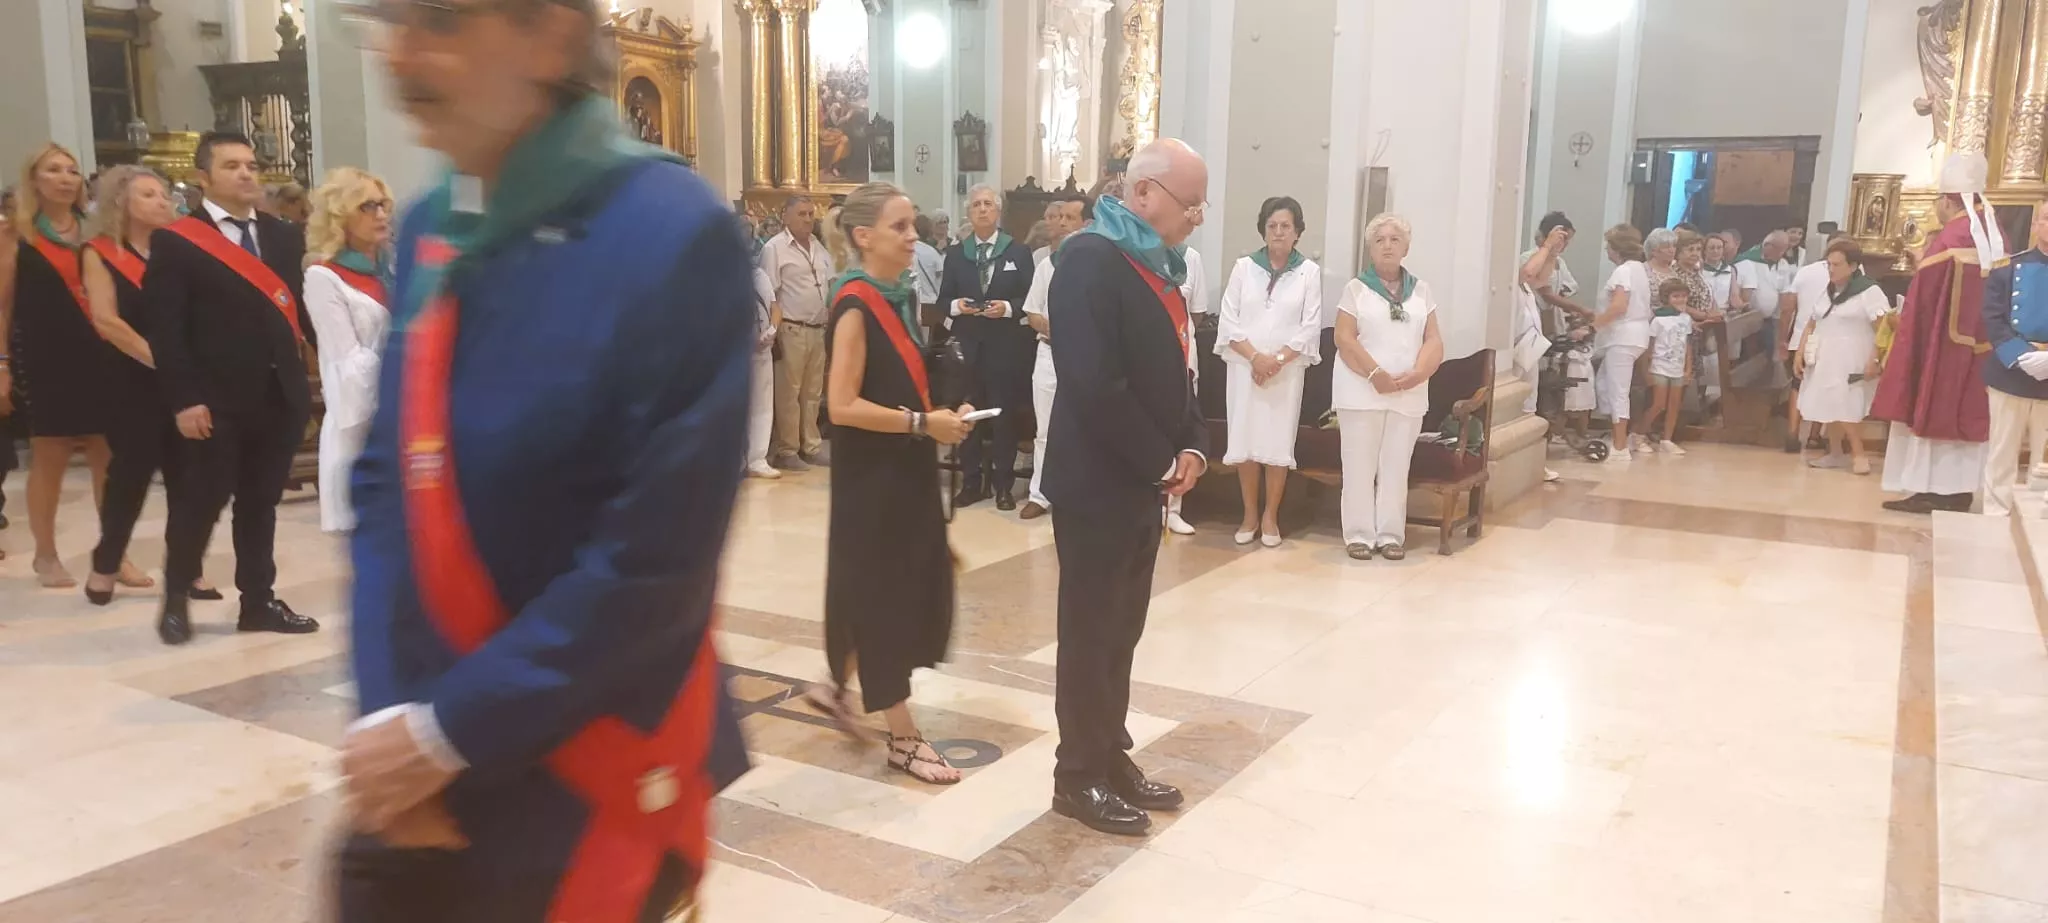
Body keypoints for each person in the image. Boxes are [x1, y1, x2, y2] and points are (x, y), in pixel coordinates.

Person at [334, 0, 751, 918]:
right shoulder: (432, 224)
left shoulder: (671, 233)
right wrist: (388, 717)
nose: (401, 54)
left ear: (550, 33)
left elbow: (655, 566)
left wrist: (446, 731)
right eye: (390, 19)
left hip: (577, 776)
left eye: (439, 18)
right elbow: (383, 482)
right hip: (414, 771)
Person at [1043, 137, 1210, 836]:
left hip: (1140, 479)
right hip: (1096, 482)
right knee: (1090, 632)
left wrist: (1193, 443)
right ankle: (1076, 776)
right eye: (1189, 203)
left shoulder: (1156, 265)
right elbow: (1093, 383)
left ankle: (1111, 756)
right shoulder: (1086, 259)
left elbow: (1181, 361)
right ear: (1143, 194)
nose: (1197, 218)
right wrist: (1158, 459)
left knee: (1122, 630)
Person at [810, 182, 976, 784]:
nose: (914, 237)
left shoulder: (897, 294)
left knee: (886, 586)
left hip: (902, 468)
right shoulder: (855, 303)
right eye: (900, 227)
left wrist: (939, 419)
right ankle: (903, 740)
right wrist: (919, 423)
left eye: (913, 225)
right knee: (883, 599)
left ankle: (837, 687)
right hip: (872, 480)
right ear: (864, 236)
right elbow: (843, 405)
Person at [142, 130, 320, 644]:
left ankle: (258, 601)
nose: (246, 174)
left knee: (260, 503)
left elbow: (298, 313)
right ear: (203, 179)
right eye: (232, 166)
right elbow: (166, 329)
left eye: (251, 165)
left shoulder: (283, 235)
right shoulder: (177, 241)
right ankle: (177, 596)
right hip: (213, 400)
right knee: (201, 502)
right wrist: (184, 398)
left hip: (276, 395)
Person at [78, 166, 222, 604]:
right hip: (130, 379)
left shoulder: (179, 250)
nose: (162, 203)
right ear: (122, 203)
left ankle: (186, 569)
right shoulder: (100, 252)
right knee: (131, 475)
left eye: (164, 195)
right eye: (148, 195)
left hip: (184, 382)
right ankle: (106, 561)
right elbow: (107, 320)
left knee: (189, 477)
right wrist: (165, 361)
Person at [0, 143, 118, 589]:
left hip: (100, 352)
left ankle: (112, 553)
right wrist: (2, 365)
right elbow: (3, 308)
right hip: (45, 355)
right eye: (54, 170)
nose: (66, 178)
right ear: (34, 180)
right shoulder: (17, 234)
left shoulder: (96, 231)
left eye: (72, 170)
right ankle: (45, 555)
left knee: (107, 454)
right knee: (50, 453)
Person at [1873, 152, 2006, 513]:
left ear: (1948, 201)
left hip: (1941, 346)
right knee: (1964, 411)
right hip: (1981, 346)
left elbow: (1930, 295)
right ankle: (1958, 490)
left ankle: (1931, 489)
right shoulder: (1994, 232)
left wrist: (1920, 265)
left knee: (1932, 404)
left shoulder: (1951, 236)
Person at [1333, 213, 1442, 561]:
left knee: (1397, 467)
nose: (1387, 245)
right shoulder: (1356, 289)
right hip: (1361, 391)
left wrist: (1417, 374)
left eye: (1395, 239)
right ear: (1370, 248)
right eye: (1380, 240)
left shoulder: (1421, 290)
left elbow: (1434, 340)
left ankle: (1391, 534)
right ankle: (1359, 534)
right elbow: (1344, 338)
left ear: (1406, 247)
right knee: (1359, 466)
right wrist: (1374, 373)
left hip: (1407, 393)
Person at [1216, 196, 1322, 546]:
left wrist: (1275, 361)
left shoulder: (1309, 272)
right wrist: (1254, 359)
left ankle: (1270, 516)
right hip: (1244, 368)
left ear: (1298, 233)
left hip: (1285, 372)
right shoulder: (1244, 267)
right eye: (1272, 226)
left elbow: (1309, 327)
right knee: (1246, 441)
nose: (1278, 232)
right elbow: (1229, 320)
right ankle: (1248, 513)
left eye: (1285, 226)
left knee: (1276, 443)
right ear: (1263, 230)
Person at [303, 167, 396, 534]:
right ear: (341, 215)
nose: (381, 214)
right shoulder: (324, 277)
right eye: (367, 206)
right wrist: (407, 361)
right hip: (363, 421)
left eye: (384, 204)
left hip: (409, 417)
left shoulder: (395, 269)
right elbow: (348, 363)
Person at [938, 183, 1036, 510]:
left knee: (1002, 417)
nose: (982, 209)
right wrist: (958, 306)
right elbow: (942, 301)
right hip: (968, 349)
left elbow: (1030, 299)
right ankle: (971, 482)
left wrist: (1007, 308)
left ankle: (1004, 485)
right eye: (976, 205)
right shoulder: (956, 254)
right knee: (969, 415)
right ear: (969, 213)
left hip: (1004, 348)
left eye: (988, 204)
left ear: (998, 211)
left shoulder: (1017, 253)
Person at [1021, 194, 1088, 520]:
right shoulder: (1047, 266)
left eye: (1069, 218)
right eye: (1058, 217)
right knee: (1045, 429)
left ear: (1087, 225)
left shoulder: (1097, 267)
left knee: (1084, 428)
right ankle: (1040, 492)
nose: (1061, 223)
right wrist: (1054, 326)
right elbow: (1032, 312)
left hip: (1085, 357)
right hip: (1049, 352)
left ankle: (1078, 493)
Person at [1795, 239, 1889, 476]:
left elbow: (1883, 328)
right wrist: (1800, 352)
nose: (1831, 269)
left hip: (1852, 357)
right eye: (1828, 265)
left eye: (1837, 264)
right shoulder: (1828, 291)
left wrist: (1875, 359)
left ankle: (1859, 454)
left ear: (1853, 265)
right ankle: (1835, 452)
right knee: (1830, 404)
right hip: (1825, 357)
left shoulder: (1869, 291)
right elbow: (1813, 321)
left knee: (1846, 405)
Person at [1980, 199, 2048, 516]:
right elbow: (1993, 318)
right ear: (2036, 224)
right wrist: (2020, 355)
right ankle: (1995, 513)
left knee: (2044, 461)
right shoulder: (2008, 268)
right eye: (2046, 219)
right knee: (2002, 452)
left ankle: (2038, 521)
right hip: (2011, 373)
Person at [761, 195, 835, 471]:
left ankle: (811, 446)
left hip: (818, 329)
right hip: (791, 329)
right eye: (802, 214)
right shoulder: (774, 249)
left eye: (810, 214)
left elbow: (828, 283)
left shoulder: (818, 246)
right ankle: (787, 449)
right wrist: (773, 331)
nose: (808, 219)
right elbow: (769, 294)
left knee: (813, 392)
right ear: (786, 216)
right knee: (789, 393)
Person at [1593, 224, 1652, 461]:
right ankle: (1614, 431)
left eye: (1609, 246)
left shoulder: (1623, 271)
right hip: (1636, 335)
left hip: (1623, 336)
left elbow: (1619, 306)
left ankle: (1619, 446)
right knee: (1604, 383)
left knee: (1618, 390)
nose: (1607, 250)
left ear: (1616, 249)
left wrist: (1595, 324)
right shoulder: (1640, 269)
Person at [1165, 244, 1209, 536]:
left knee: (1178, 430)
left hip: (1181, 353)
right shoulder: (1138, 253)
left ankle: (1172, 509)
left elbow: (1197, 312)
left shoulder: (1191, 257)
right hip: (1146, 358)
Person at [1639, 278, 1695, 456]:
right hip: (1659, 367)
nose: (1680, 300)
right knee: (1658, 404)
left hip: (1677, 368)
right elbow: (1650, 346)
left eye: (1684, 296)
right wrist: (1646, 369)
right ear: (1666, 298)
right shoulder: (1658, 321)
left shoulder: (1686, 319)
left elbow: (1687, 346)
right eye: (1676, 296)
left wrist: (1688, 368)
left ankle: (1667, 439)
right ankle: (1638, 434)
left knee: (1674, 405)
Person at [747, 248, 782, 479]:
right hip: (738, 351)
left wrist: (772, 330)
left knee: (763, 403)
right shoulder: (723, 276)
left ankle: (758, 458)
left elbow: (774, 307)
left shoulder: (759, 275)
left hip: (763, 347)